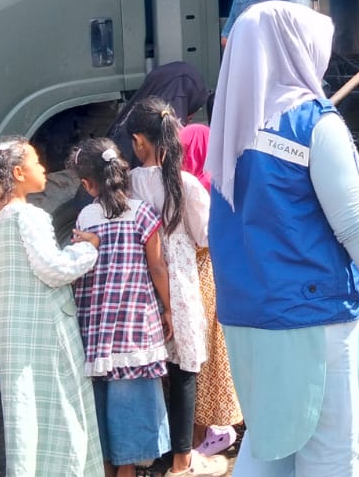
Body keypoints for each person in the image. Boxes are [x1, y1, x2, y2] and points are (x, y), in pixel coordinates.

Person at [206, 1, 359, 476]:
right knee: (332, 453)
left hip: (245, 316)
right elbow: (355, 226)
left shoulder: (230, 130)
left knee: (269, 444)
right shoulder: (313, 125)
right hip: (310, 318)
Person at [0, 138, 104, 476]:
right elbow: (54, 269)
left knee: (28, 412)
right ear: (18, 173)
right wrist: (87, 250)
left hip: (19, 336)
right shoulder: (29, 215)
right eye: (36, 162)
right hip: (48, 333)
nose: (44, 168)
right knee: (62, 410)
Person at [123, 99, 227, 477]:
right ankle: (182, 462)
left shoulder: (127, 184)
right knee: (184, 372)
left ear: (138, 141)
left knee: (147, 373)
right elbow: (205, 235)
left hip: (136, 287)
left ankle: (145, 456)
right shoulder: (185, 185)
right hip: (180, 286)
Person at [69, 139, 173, 477]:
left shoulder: (86, 217)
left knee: (100, 405)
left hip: (96, 330)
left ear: (87, 184)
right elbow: (157, 267)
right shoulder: (142, 213)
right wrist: (168, 308)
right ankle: (128, 471)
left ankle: (105, 469)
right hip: (134, 328)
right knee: (130, 407)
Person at [176, 123, 244, 457]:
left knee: (207, 353)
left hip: (203, 278)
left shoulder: (191, 190)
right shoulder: (220, 184)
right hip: (226, 276)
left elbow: (202, 238)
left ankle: (211, 430)